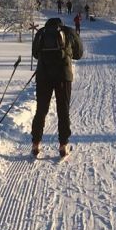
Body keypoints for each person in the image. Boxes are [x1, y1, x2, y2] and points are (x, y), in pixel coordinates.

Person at [31, 16, 84, 158]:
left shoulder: (41, 32)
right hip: (63, 76)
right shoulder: (69, 31)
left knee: (41, 109)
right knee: (63, 109)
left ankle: (36, 144)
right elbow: (79, 54)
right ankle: (63, 145)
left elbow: (35, 54)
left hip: (43, 76)